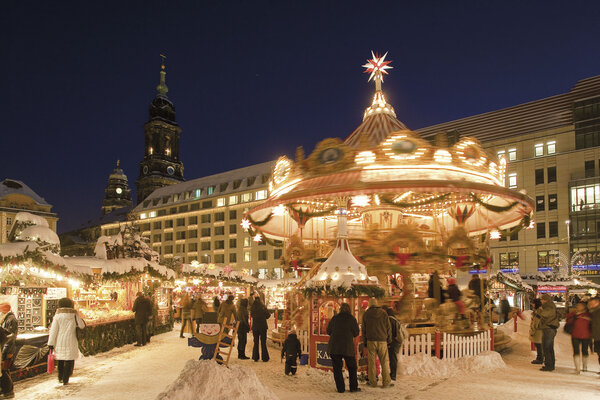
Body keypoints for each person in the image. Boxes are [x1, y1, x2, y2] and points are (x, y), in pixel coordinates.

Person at [47, 298, 86, 385]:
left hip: (59, 341)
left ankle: (60, 377)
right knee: (69, 359)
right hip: (71, 340)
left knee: (60, 359)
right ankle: (66, 379)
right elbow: (82, 326)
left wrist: (51, 343)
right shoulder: (74, 314)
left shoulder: (57, 316)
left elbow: (53, 330)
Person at [327, 302, 360, 393]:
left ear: (340, 309)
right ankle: (353, 387)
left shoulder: (335, 318)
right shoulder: (352, 319)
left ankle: (340, 388)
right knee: (352, 367)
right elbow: (356, 332)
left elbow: (328, 331)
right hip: (347, 347)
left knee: (337, 368)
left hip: (335, 347)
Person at [362, 298, 392, 388]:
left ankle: (373, 382)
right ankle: (386, 382)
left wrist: (365, 342)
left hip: (371, 341)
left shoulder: (366, 314)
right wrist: (389, 340)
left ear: (370, 305)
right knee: (384, 362)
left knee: (372, 362)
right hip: (382, 341)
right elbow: (388, 328)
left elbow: (363, 330)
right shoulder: (383, 313)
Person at [566, 301, 591, 374]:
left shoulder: (588, 314)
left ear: (584, 307)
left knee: (585, 350)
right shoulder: (573, 314)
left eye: (580, 305)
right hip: (575, 335)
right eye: (578, 305)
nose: (578, 307)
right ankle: (577, 368)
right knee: (576, 351)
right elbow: (568, 321)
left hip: (586, 335)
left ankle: (584, 366)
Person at [538, 294, 559, 371]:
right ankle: (550, 364)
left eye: (542, 299)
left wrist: (540, 310)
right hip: (549, 328)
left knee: (547, 347)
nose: (541, 301)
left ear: (545, 300)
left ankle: (549, 365)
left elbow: (544, 314)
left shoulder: (549, 306)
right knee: (549, 348)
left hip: (549, 328)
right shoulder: (550, 306)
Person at [0, 304, 17, 398]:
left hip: (6, 348)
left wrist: (6, 349)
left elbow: (10, 336)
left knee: (4, 369)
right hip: (5, 347)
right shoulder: (6, 318)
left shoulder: (10, 319)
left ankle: (8, 391)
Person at [250, 296, 270, 362]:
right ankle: (265, 357)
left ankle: (255, 357)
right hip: (263, 326)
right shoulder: (263, 307)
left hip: (255, 326)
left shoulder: (252, 307)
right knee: (263, 342)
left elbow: (252, 315)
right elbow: (268, 315)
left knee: (256, 342)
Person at [385, 307, 402, 381]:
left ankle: (393, 375)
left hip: (392, 342)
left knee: (392, 358)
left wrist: (389, 341)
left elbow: (391, 332)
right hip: (397, 341)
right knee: (393, 358)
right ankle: (393, 374)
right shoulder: (395, 320)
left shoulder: (390, 320)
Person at [586, 296, 600, 373]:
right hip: (596, 336)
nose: (590, 305)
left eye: (592, 304)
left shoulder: (597, 311)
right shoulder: (592, 312)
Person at [529, 298, 544, 365]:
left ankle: (540, 359)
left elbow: (535, 322)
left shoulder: (538, 312)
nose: (533, 305)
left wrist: (532, 331)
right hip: (540, 331)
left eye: (534, 303)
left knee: (538, 345)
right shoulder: (540, 310)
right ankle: (540, 358)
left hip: (538, 331)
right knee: (539, 345)